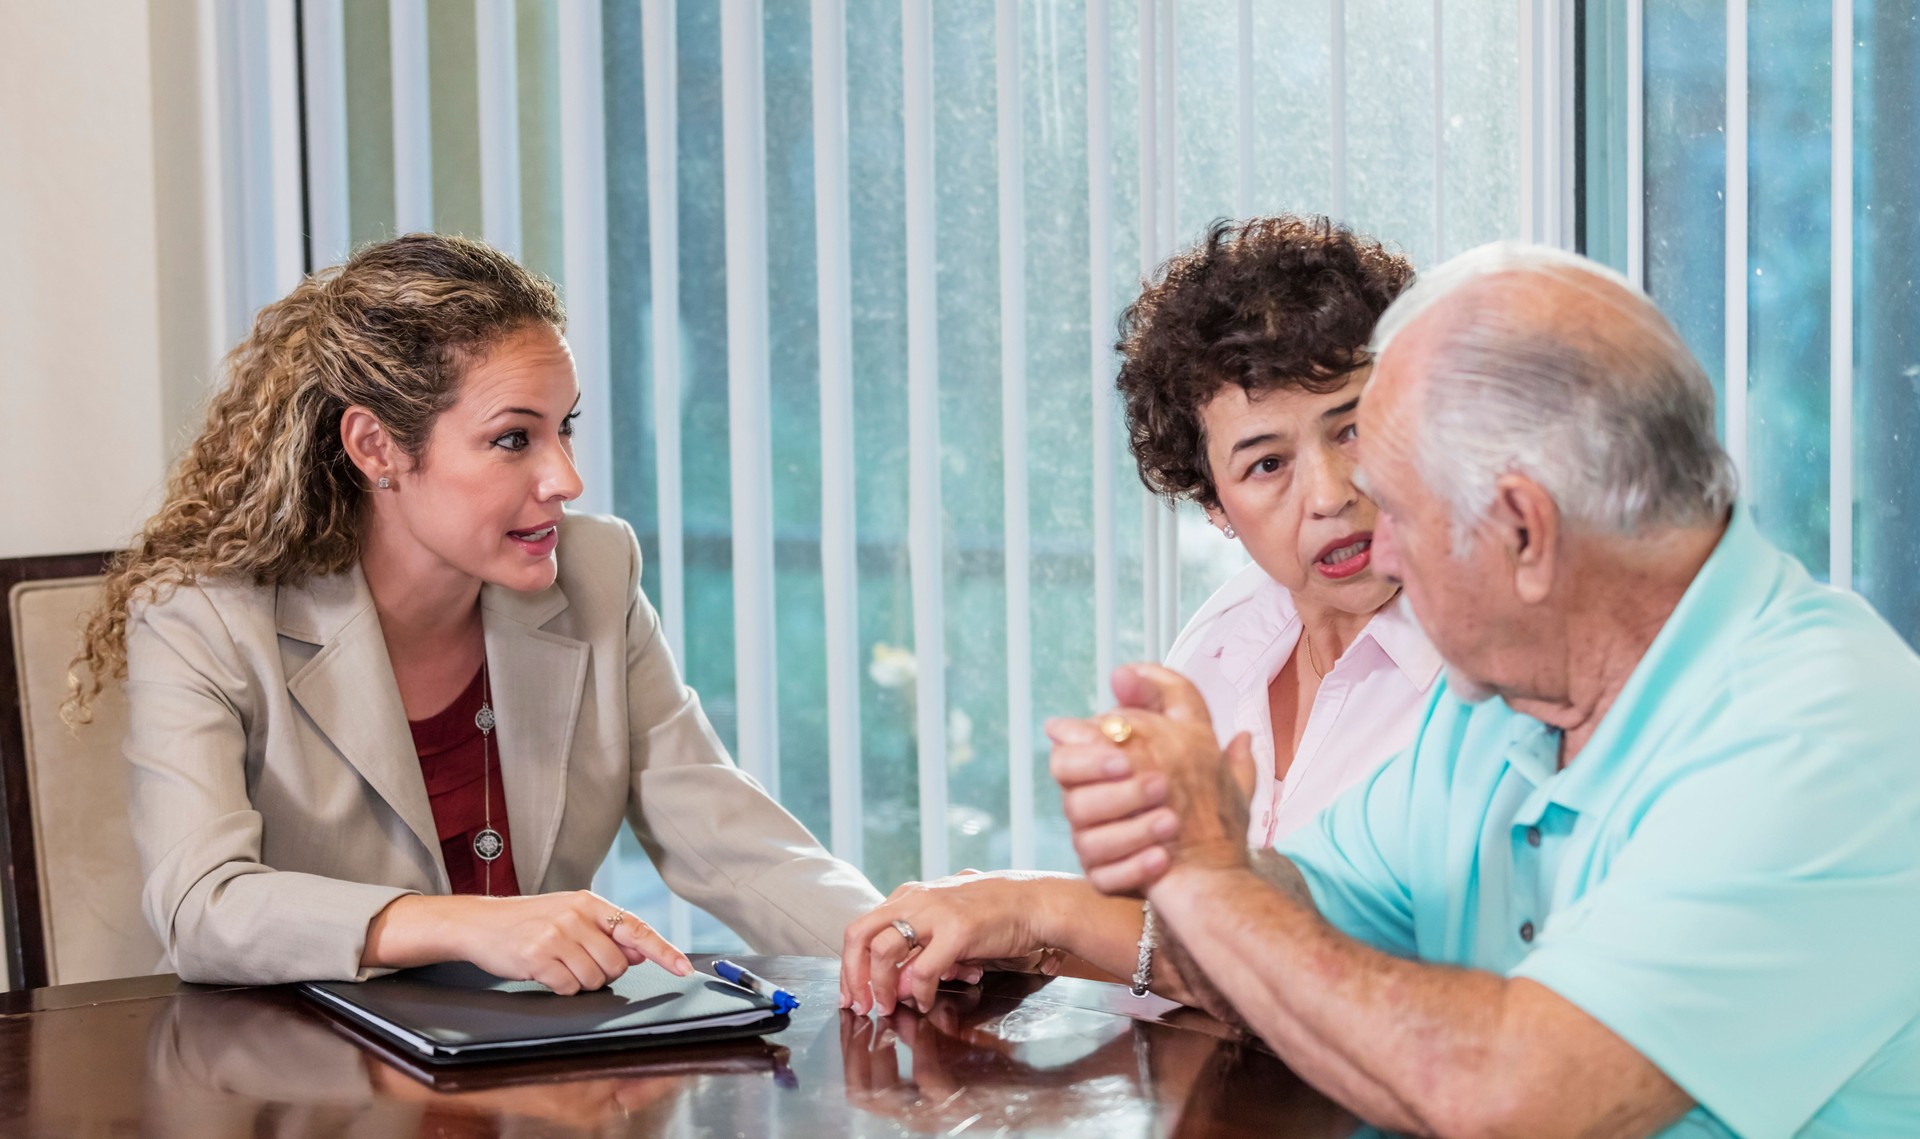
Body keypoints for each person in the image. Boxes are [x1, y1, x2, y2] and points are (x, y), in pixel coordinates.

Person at [1051, 243, 1920, 1136]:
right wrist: (1196, 850)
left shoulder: (1826, 738)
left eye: (1400, 511)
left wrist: (1206, 878)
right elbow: (1305, 913)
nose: (1378, 549)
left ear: (1522, 530)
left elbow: (1516, 1099)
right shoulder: (1502, 701)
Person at [70, 233, 882, 992]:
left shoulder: (596, 573)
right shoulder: (203, 615)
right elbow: (201, 906)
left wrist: (896, 940)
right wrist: (466, 926)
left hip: (545, 1080)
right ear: (377, 448)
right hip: (307, 1090)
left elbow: (728, 835)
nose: (566, 478)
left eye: (563, 428)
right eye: (512, 439)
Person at [840, 217, 1442, 1016]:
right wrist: (1014, 936)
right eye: (1267, 463)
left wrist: (1042, 908)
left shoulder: (1497, 665)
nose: (1331, 493)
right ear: (1213, 504)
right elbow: (1160, 935)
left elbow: (1352, 972)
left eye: (1354, 428)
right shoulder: (1229, 633)